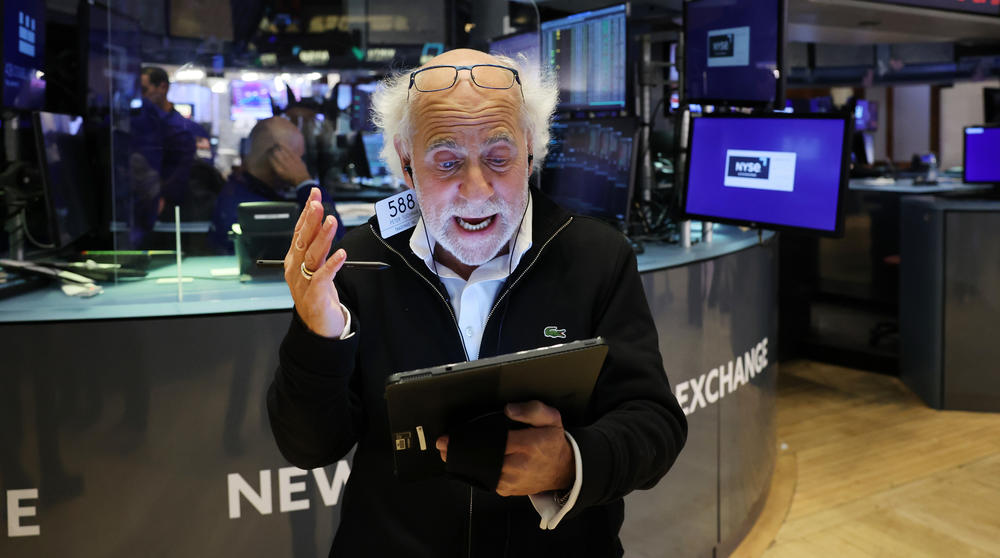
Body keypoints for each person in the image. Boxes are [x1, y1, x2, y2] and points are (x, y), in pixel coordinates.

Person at [267, 50, 687, 556]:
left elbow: (655, 422)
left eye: (498, 157)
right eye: (446, 162)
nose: (476, 189)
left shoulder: (596, 257)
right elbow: (310, 447)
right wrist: (319, 334)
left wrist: (571, 462)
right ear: (406, 163)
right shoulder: (355, 265)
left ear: (530, 150)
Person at [209, 116, 344, 253]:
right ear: (280, 156)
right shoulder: (259, 211)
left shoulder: (238, 188)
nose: (301, 165)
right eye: (299, 157)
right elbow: (334, 247)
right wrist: (304, 182)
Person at [139, 66, 196, 216]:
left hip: (169, 208)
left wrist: (161, 194)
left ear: (162, 87)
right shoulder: (135, 124)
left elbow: (188, 174)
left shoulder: (183, 128)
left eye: (144, 90)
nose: (140, 96)